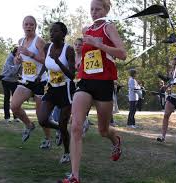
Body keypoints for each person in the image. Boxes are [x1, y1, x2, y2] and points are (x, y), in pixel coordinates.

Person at [59, 0, 127, 182]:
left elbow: (122, 53)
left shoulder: (108, 27)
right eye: (91, 9)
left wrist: (100, 44)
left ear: (106, 9)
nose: (94, 12)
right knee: (75, 126)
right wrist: (81, 53)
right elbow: (87, 55)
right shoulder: (86, 29)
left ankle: (115, 140)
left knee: (103, 130)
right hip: (86, 81)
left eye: (98, 9)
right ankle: (74, 176)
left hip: (104, 83)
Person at [37, 22, 75, 163]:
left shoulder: (69, 50)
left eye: (55, 31)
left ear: (63, 34)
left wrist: (58, 61)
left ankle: (66, 153)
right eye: (50, 31)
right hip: (52, 87)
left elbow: (72, 75)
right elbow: (46, 65)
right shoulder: (47, 47)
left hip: (66, 89)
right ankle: (58, 129)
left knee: (63, 124)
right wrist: (39, 75)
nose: (51, 34)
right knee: (42, 119)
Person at [10, 16, 51, 144]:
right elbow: (17, 58)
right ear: (23, 26)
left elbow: (47, 62)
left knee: (41, 116)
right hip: (26, 80)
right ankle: (29, 125)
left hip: (40, 81)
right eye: (26, 24)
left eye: (31, 25)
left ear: (35, 26)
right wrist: (17, 60)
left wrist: (31, 54)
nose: (28, 27)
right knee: (14, 106)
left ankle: (47, 138)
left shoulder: (39, 41)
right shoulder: (21, 41)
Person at [157, 56, 176, 142]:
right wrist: (166, 86)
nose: (173, 65)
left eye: (175, 64)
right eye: (172, 63)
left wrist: (175, 82)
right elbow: (170, 82)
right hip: (172, 97)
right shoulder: (171, 72)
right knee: (166, 115)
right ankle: (163, 136)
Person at [1, 46, 21, 123]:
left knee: (15, 100)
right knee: (7, 98)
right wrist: (18, 64)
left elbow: (19, 72)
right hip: (6, 80)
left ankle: (16, 117)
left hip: (14, 81)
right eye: (19, 52)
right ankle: (7, 117)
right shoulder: (9, 58)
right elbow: (12, 71)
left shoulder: (20, 58)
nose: (20, 54)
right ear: (15, 52)